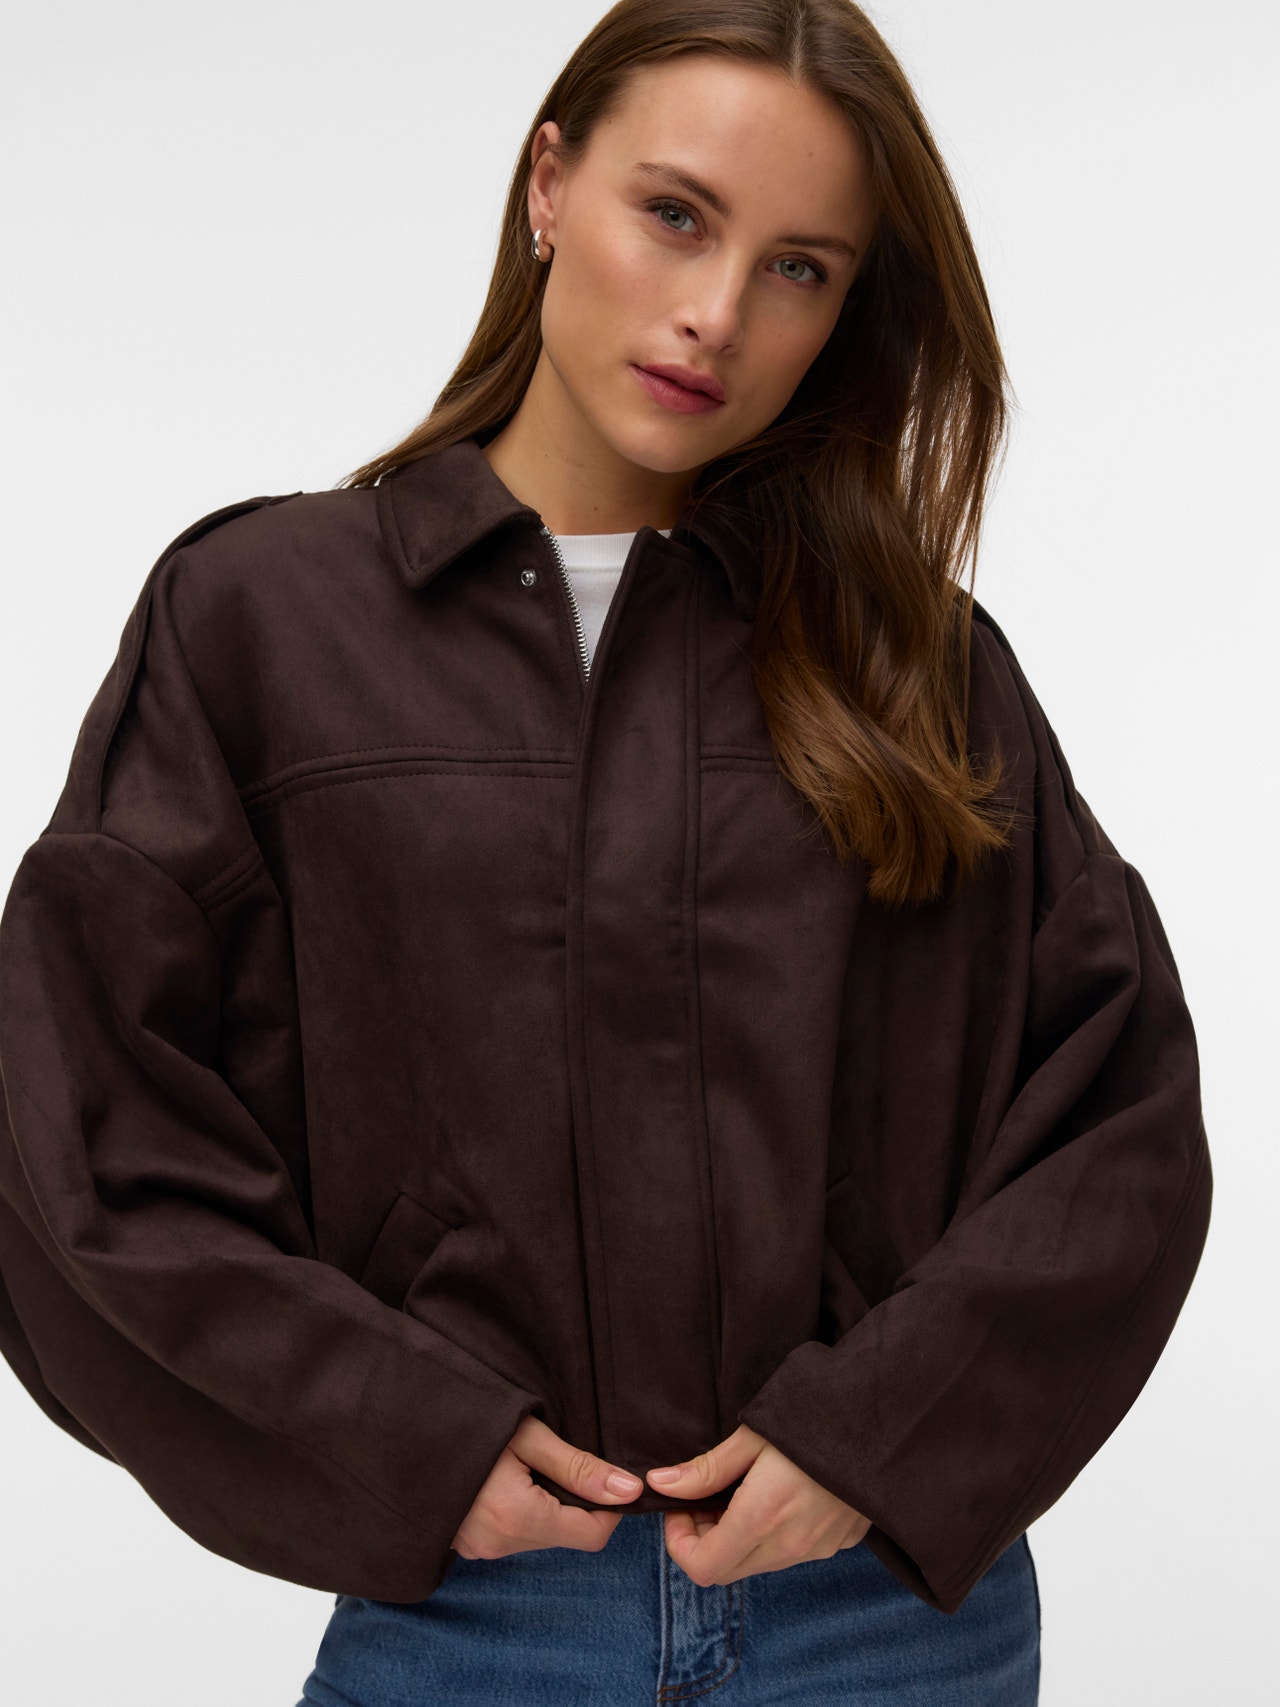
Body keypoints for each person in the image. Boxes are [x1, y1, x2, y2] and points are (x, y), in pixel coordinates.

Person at [0, 3, 1212, 1704]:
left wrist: (878, 1435)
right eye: (677, 214)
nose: (717, 312)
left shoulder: (914, 664)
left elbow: (1119, 1117)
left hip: (884, 1624)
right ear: (550, 184)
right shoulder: (261, 624)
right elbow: (74, 1121)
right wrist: (400, 1437)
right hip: (471, 1623)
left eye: (799, 269)